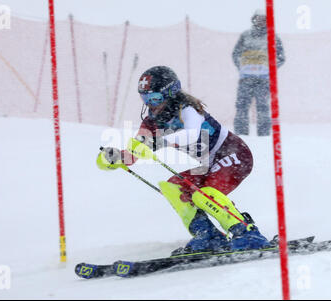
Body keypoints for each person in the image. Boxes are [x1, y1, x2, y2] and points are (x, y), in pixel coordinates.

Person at [96, 66, 271, 255]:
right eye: (145, 99)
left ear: (170, 93)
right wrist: (115, 158)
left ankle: (245, 232)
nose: (151, 104)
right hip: (210, 162)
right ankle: (208, 235)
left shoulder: (187, 109)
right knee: (173, 187)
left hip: (234, 154)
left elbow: (192, 134)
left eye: (155, 98)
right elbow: (135, 153)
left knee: (203, 194)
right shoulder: (151, 122)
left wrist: (160, 142)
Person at [232, 9, 285, 136]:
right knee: (242, 107)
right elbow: (235, 54)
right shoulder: (245, 36)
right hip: (246, 79)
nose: (261, 21)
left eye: (264, 19)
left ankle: (263, 135)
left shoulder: (272, 37)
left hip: (263, 80)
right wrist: (242, 67)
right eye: (258, 18)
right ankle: (241, 135)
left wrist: (270, 68)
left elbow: (281, 57)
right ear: (254, 19)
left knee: (263, 108)